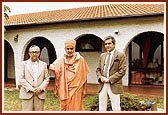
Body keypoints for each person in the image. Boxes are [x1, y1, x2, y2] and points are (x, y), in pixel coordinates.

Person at [49, 39, 90, 111]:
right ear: (65, 49)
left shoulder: (81, 60)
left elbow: (84, 75)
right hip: (64, 87)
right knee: (64, 106)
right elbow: (57, 75)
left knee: (76, 107)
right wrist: (56, 89)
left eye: (72, 49)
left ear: (74, 48)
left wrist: (85, 89)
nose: (70, 50)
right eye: (68, 49)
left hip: (77, 88)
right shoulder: (61, 60)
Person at [96, 36, 126, 111]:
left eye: (109, 43)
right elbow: (98, 70)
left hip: (114, 84)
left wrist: (109, 79)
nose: (107, 45)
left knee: (115, 107)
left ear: (114, 44)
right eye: (106, 44)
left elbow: (122, 71)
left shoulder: (120, 55)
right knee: (101, 106)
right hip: (102, 84)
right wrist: (100, 77)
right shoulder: (102, 56)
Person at [19, 45, 50, 111]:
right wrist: (31, 89)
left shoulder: (44, 64)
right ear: (29, 53)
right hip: (27, 94)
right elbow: (21, 78)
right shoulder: (23, 64)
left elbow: (47, 78)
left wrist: (40, 88)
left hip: (40, 94)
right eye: (32, 52)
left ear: (39, 53)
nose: (34, 54)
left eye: (36, 52)